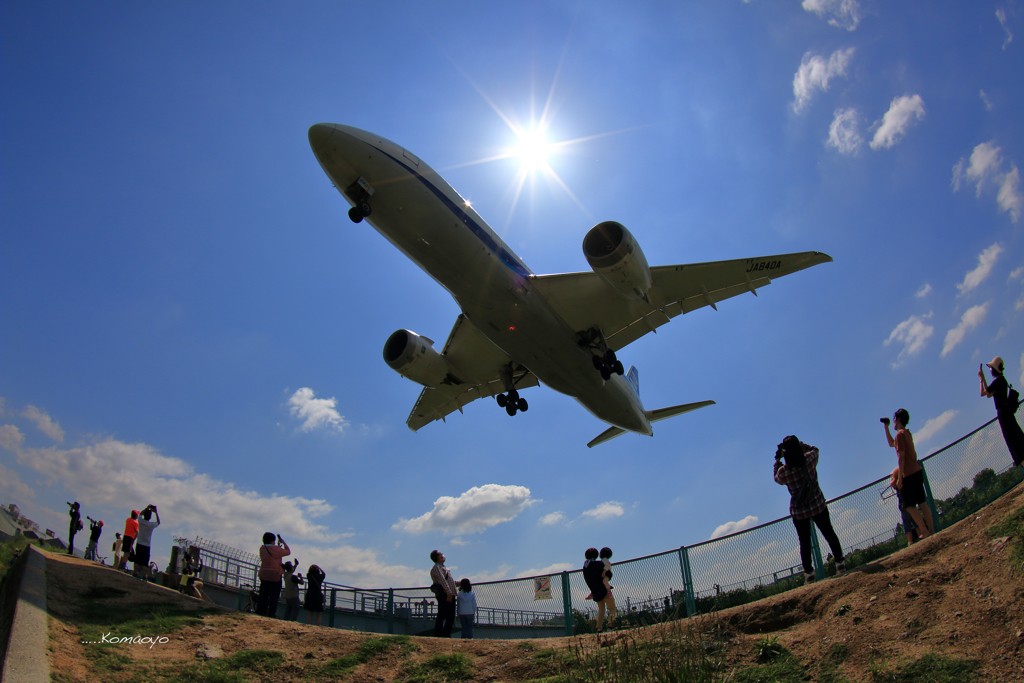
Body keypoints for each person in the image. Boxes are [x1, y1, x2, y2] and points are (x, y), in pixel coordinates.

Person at [773, 435, 846, 583]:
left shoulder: (784, 472)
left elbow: (776, 477)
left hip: (799, 511)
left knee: (804, 543)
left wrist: (777, 460)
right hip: (817, 503)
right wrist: (802, 445)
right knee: (829, 533)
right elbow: (815, 450)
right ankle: (840, 564)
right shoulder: (808, 461)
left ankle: (809, 574)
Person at [882, 410, 934, 538]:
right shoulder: (906, 433)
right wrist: (886, 427)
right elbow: (891, 444)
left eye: (894, 420)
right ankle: (931, 530)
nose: (893, 422)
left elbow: (901, 456)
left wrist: (900, 478)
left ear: (898, 419)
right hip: (917, 471)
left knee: (909, 506)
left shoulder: (899, 435)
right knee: (922, 502)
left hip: (909, 474)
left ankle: (924, 531)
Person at [980, 357, 1024, 468]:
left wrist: (981, 379)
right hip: (1007, 413)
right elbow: (989, 394)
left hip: (1003, 415)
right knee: (1018, 438)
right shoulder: (1003, 380)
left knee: (1012, 442)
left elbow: (983, 393)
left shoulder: (997, 382)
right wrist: (984, 378)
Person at [256, 532, 290, 617]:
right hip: (275, 575)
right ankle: (271, 613)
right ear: (272, 541)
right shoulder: (276, 549)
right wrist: (283, 542)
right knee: (274, 596)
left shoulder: (262, 549)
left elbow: (271, 552)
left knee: (263, 594)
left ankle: (260, 611)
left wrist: (277, 547)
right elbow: (287, 552)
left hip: (264, 573)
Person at [582, 547, 616, 632]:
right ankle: (610, 626)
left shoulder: (585, 567)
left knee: (601, 610)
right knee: (612, 608)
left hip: (595, 592)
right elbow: (607, 573)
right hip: (604, 589)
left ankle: (599, 629)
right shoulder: (599, 564)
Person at [429, 550, 457, 637]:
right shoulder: (437, 568)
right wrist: (448, 592)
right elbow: (442, 580)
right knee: (442, 615)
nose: (443, 556)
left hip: (450, 594)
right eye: (440, 554)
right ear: (437, 557)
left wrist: (461, 583)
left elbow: (450, 581)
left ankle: (446, 634)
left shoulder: (444, 568)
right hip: (444, 594)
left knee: (450, 616)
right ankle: (438, 634)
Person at [890, 467, 920, 545]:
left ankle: (910, 541)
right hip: (911, 505)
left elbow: (892, 484)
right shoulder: (906, 481)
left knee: (907, 525)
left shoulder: (897, 484)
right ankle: (920, 535)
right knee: (916, 521)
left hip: (904, 508)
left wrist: (894, 478)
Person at [133, 505, 160, 581]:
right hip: (146, 545)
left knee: (137, 560)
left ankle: (135, 573)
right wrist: (156, 513)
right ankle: (144, 576)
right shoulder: (150, 525)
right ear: (150, 517)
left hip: (139, 543)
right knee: (145, 562)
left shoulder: (140, 521)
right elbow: (158, 522)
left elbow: (140, 514)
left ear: (145, 515)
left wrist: (146, 508)